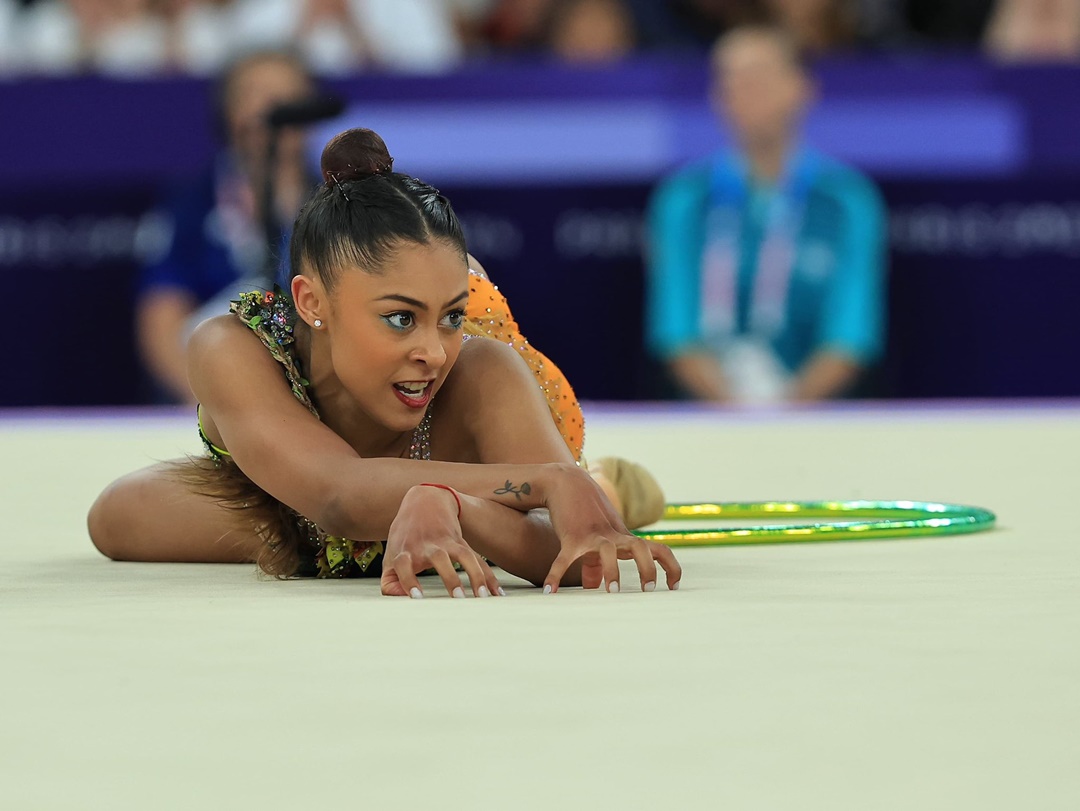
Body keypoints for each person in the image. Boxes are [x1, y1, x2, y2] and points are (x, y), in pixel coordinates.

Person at [88, 128, 679, 598]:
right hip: (295, 501)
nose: (432, 350)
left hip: (474, 453)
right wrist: (544, 482)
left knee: (574, 494)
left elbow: (569, 557)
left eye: (449, 316)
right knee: (117, 518)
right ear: (311, 302)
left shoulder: (479, 368)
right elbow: (339, 496)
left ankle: (603, 481)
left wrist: (460, 505)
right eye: (400, 319)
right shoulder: (230, 346)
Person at [644, 25, 887, 405]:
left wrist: (783, 416)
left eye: (759, 77)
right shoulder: (683, 199)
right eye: (731, 79)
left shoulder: (847, 200)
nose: (744, 91)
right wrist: (737, 415)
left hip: (819, 425)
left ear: (802, 87)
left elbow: (851, 334)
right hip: (706, 423)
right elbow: (677, 332)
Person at [136, 49, 318, 403]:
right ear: (227, 112)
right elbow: (161, 320)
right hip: (213, 394)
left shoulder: (344, 199)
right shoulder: (190, 203)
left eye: (287, 96)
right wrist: (205, 407)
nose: (272, 109)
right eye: (254, 94)